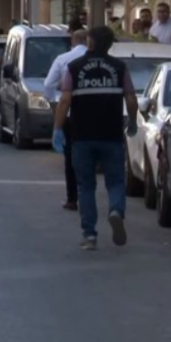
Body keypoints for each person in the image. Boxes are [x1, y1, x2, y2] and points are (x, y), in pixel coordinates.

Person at [52, 26, 138, 251]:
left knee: (86, 186)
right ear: (110, 45)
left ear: (88, 42)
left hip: (82, 136)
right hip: (111, 135)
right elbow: (130, 98)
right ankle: (116, 210)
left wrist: (57, 128)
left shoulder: (74, 67)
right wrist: (134, 122)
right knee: (116, 181)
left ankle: (89, 235)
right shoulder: (119, 68)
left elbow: (64, 101)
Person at [43, 29, 88, 211]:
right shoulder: (101, 60)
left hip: (71, 115)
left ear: (73, 40)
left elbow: (48, 85)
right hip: (97, 115)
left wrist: (55, 105)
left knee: (71, 157)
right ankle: (89, 195)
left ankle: (72, 198)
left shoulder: (63, 59)